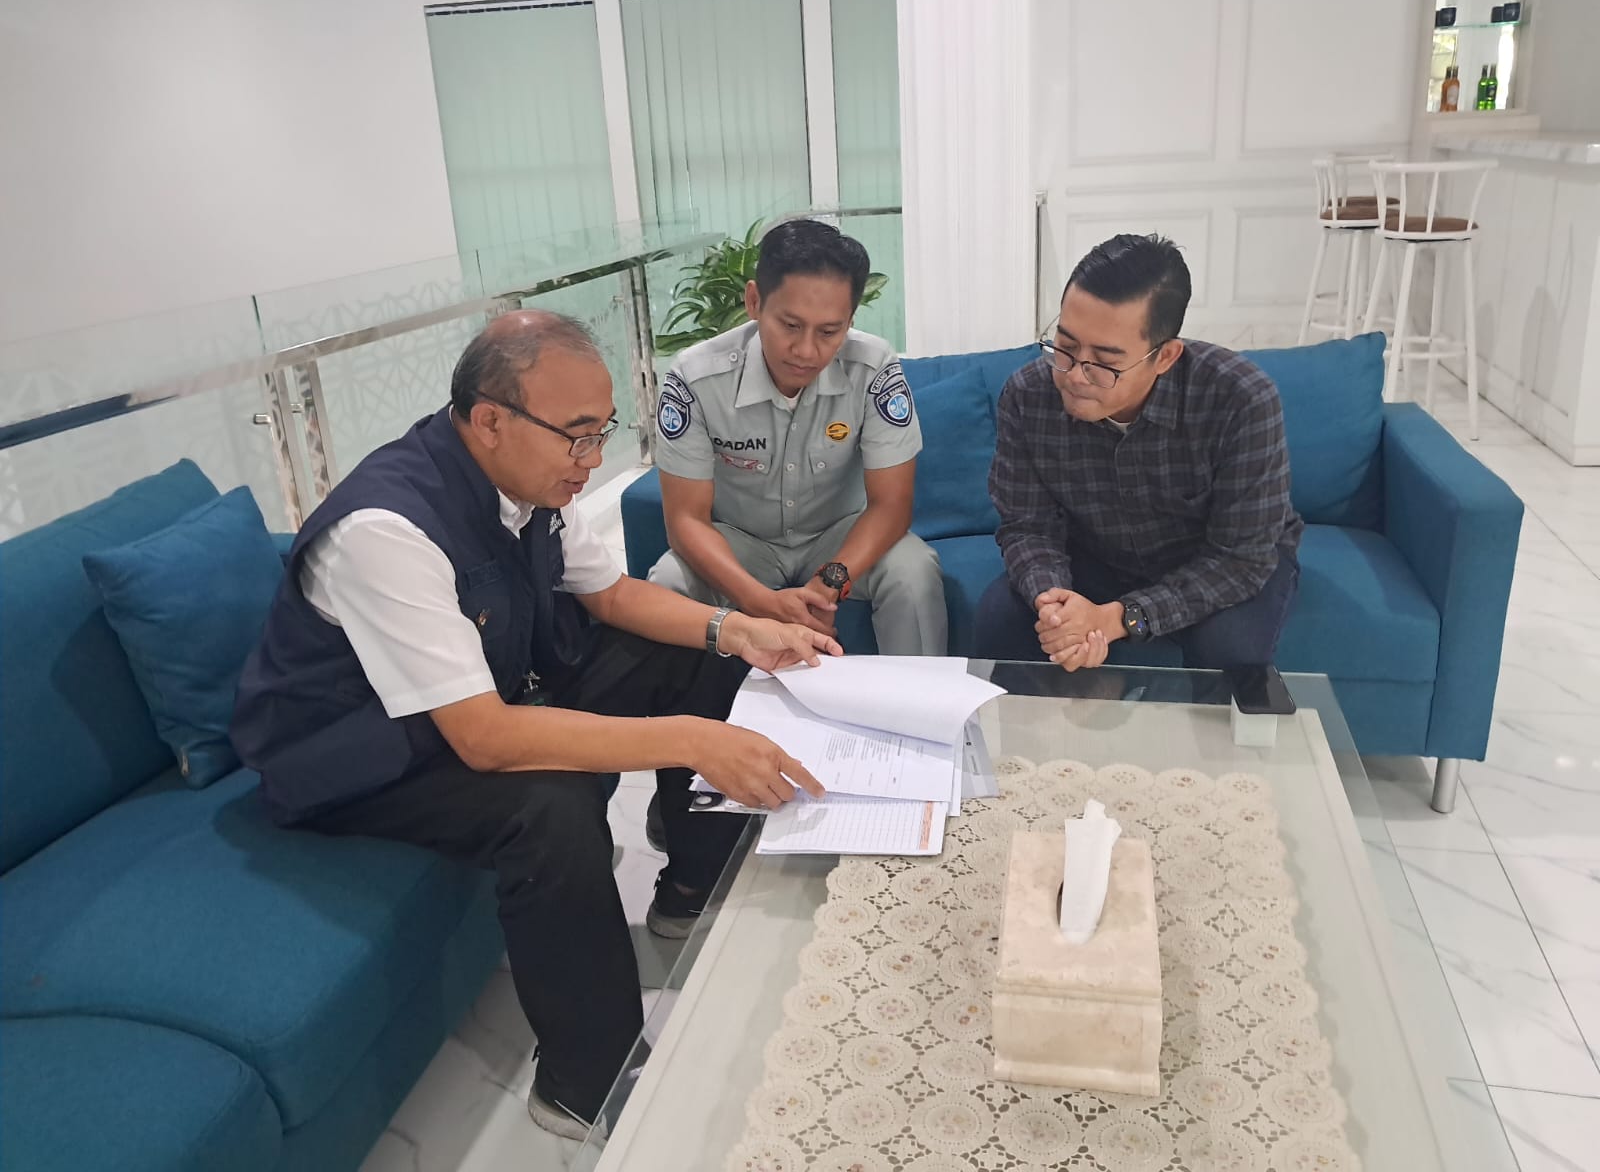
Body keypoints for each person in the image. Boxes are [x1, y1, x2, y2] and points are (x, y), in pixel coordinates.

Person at [230, 311, 838, 1141]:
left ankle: (691, 892)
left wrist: (737, 629)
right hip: (363, 756)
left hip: (484, 695)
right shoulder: (385, 531)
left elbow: (610, 595)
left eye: (602, 434)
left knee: (698, 655)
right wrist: (693, 740)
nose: (593, 460)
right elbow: (484, 739)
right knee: (550, 806)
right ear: (490, 420)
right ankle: (587, 1080)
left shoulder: (530, 482)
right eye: (578, 437)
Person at [976, 233, 1302, 671]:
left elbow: (1239, 559)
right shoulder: (1026, 396)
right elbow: (1027, 527)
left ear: (1165, 357)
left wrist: (1119, 619)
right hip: (1097, 555)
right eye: (1065, 347)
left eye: (1105, 363)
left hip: (1209, 562)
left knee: (1229, 651)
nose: (1074, 376)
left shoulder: (1241, 398)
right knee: (1001, 618)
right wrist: (1056, 606)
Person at [647, 218, 946, 658]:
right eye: (790, 325)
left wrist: (830, 583)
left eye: (829, 332)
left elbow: (891, 505)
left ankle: (921, 699)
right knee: (669, 582)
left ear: (850, 320)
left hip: (838, 536)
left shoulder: (874, 368)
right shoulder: (694, 379)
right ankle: (684, 706)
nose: (807, 351)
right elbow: (686, 520)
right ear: (754, 301)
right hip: (740, 540)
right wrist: (760, 602)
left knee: (913, 569)